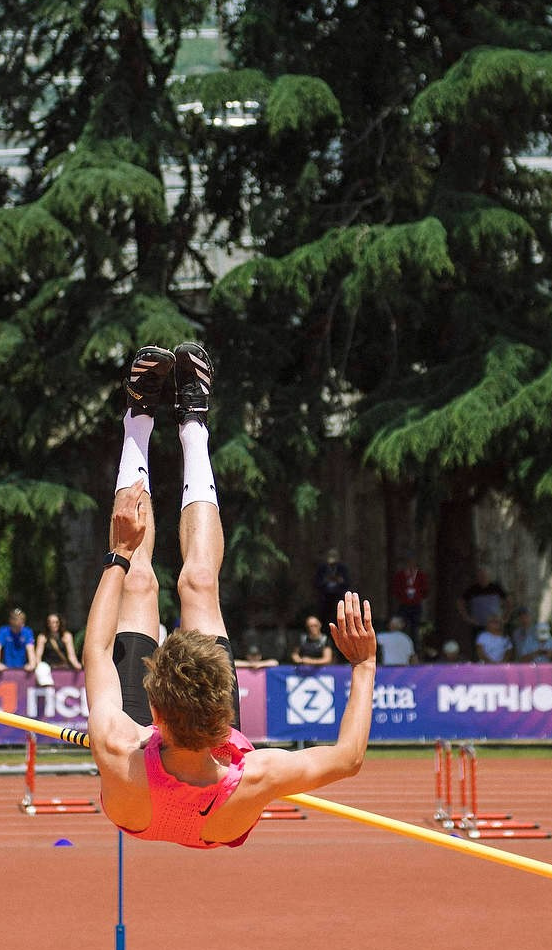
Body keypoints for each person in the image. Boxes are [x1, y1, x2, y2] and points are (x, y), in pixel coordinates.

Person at [84, 341, 380, 849]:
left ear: (153, 715)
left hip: (144, 790)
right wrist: (365, 666)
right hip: (219, 795)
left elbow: (95, 650)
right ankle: (194, 422)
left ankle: (138, 417)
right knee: (197, 583)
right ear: (224, 713)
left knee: (138, 580)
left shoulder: (121, 745)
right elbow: (347, 758)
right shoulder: (256, 774)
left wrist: (119, 552)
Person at [0, 607, 36, 674]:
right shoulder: (3, 631)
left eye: (21, 619)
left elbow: (30, 650)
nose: (19, 622)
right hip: (6, 669)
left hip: (23, 670)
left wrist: (32, 664)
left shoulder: (27, 631)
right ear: (11, 620)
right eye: (16, 619)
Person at [390, 559, 428, 634]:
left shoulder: (420, 575)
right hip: (404, 605)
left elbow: (425, 589)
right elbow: (396, 588)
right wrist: (403, 597)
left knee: (415, 628)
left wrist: (418, 596)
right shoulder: (400, 575)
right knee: (402, 625)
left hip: (416, 605)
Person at [313, 548, 351, 623]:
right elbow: (317, 582)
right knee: (324, 616)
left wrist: (339, 580)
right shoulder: (322, 568)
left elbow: (347, 582)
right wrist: (326, 581)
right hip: (324, 596)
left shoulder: (342, 568)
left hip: (338, 596)